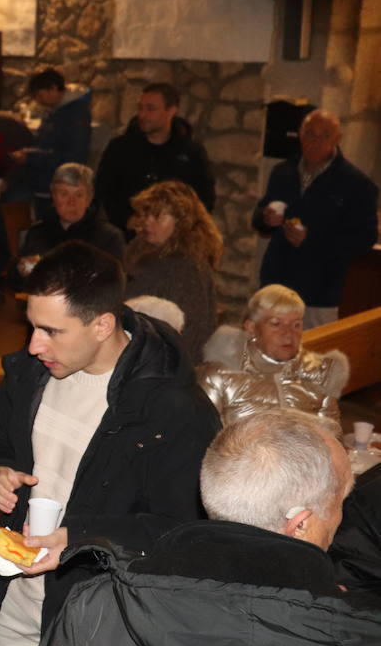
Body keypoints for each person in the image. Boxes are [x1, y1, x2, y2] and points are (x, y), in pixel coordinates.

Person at [16, 410, 381, 646]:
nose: (342, 518)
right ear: (301, 523)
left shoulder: (99, 607)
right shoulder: (366, 642)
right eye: (341, 502)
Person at [0, 240, 220, 646]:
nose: (34, 346)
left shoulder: (170, 408)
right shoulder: (34, 373)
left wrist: (80, 538)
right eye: (32, 326)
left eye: (51, 331)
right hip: (18, 585)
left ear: (103, 324)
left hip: (96, 606)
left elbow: (183, 530)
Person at [252, 109, 379, 328]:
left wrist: (311, 240)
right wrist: (265, 217)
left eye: (325, 135)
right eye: (311, 134)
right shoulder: (283, 172)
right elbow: (258, 218)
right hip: (275, 283)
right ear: (300, 136)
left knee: (314, 356)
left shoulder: (356, 184)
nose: (316, 142)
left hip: (319, 292)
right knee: (266, 354)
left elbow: (364, 239)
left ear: (337, 139)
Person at [198, 284, 347, 434]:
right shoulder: (220, 375)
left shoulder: (318, 373)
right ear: (251, 328)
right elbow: (200, 438)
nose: (288, 333)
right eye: (276, 324)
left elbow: (332, 438)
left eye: (296, 325)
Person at [95, 82, 215, 237]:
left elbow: (204, 198)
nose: (143, 114)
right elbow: (104, 189)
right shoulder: (120, 148)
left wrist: (179, 226)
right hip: (128, 236)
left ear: (171, 111)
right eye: (140, 108)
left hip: (174, 241)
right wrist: (125, 218)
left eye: (151, 109)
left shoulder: (191, 152)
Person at [123, 179, 222, 361]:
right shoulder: (140, 252)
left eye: (158, 216)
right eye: (146, 214)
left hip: (162, 362)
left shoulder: (187, 266)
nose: (148, 222)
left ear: (181, 222)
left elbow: (191, 329)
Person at [14, 163, 124, 282]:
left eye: (79, 195)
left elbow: (113, 285)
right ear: (54, 196)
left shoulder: (109, 237)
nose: (72, 202)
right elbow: (18, 284)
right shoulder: (37, 233)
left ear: (89, 199)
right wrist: (20, 272)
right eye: (64, 194)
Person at [5, 68, 91, 210]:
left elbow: (73, 156)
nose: (38, 101)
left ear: (53, 88)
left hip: (58, 183)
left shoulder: (75, 114)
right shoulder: (54, 110)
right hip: (44, 181)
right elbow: (46, 144)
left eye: (40, 95)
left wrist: (31, 157)